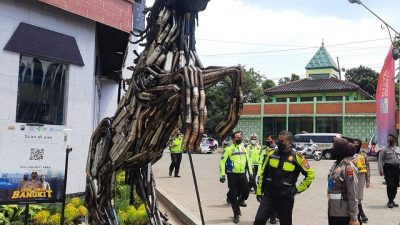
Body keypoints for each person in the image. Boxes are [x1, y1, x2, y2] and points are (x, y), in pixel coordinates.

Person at [254, 131, 315, 225]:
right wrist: (259, 191)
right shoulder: (271, 153)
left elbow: (310, 175)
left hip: (285, 197)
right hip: (269, 195)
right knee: (259, 220)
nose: (279, 142)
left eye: (282, 141)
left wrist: (297, 189)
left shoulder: (297, 157)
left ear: (290, 142)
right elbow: (263, 173)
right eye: (278, 140)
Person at [220, 131, 253, 223]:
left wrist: (250, 173)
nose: (240, 138)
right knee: (234, 194)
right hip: (232, 175)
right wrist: (222, 174)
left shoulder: (244, 148)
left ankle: (238, 204)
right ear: (233, 139)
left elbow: (248, 161)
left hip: (242, 174)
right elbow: (222, 162)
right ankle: (236, 214)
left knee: (246, 192)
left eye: (240, 137)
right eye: (238, 137)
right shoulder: (228, 149)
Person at [327, 137, 359, 225]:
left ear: (341, 150)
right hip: (333, 210)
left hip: (343, 213)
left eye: (334, 148)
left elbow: (353, 193)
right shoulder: (336, 165)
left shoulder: (348, 168)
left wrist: (354, 217)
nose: (332, 150)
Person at [378, 134, 400, 208]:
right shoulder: (384, 149)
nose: (391, 141)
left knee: (396, 185)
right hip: (388, 168)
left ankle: (392, 200)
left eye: (392, 140)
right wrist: (380, 170)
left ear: (395, 141)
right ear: (388, 141)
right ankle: (390, 201)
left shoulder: (398, 149)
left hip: (397, 169)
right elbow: (380, 159)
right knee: (390, 185)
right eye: (390, 140)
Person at [261, 134, 278, 224]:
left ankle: (275, 215)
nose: (267, 141)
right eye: (266, 139)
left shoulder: (278, 150)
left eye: (269, 139)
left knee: (277, 199)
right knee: (269, 198)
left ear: (274, 140)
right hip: (267, 177)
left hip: (278, 178)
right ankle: (272, 217)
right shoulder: (264, 150)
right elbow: (262, 163)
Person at [352, 138, 370, 223]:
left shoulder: (363, 155)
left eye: (357, 144)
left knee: (358, 198)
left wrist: (368, 180)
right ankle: (361, 214)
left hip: (360, 178)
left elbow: (367, 168)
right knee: (354, 198)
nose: (356, 145)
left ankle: (360, 215)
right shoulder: (349, 154)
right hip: (351, 178)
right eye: (354, 144)